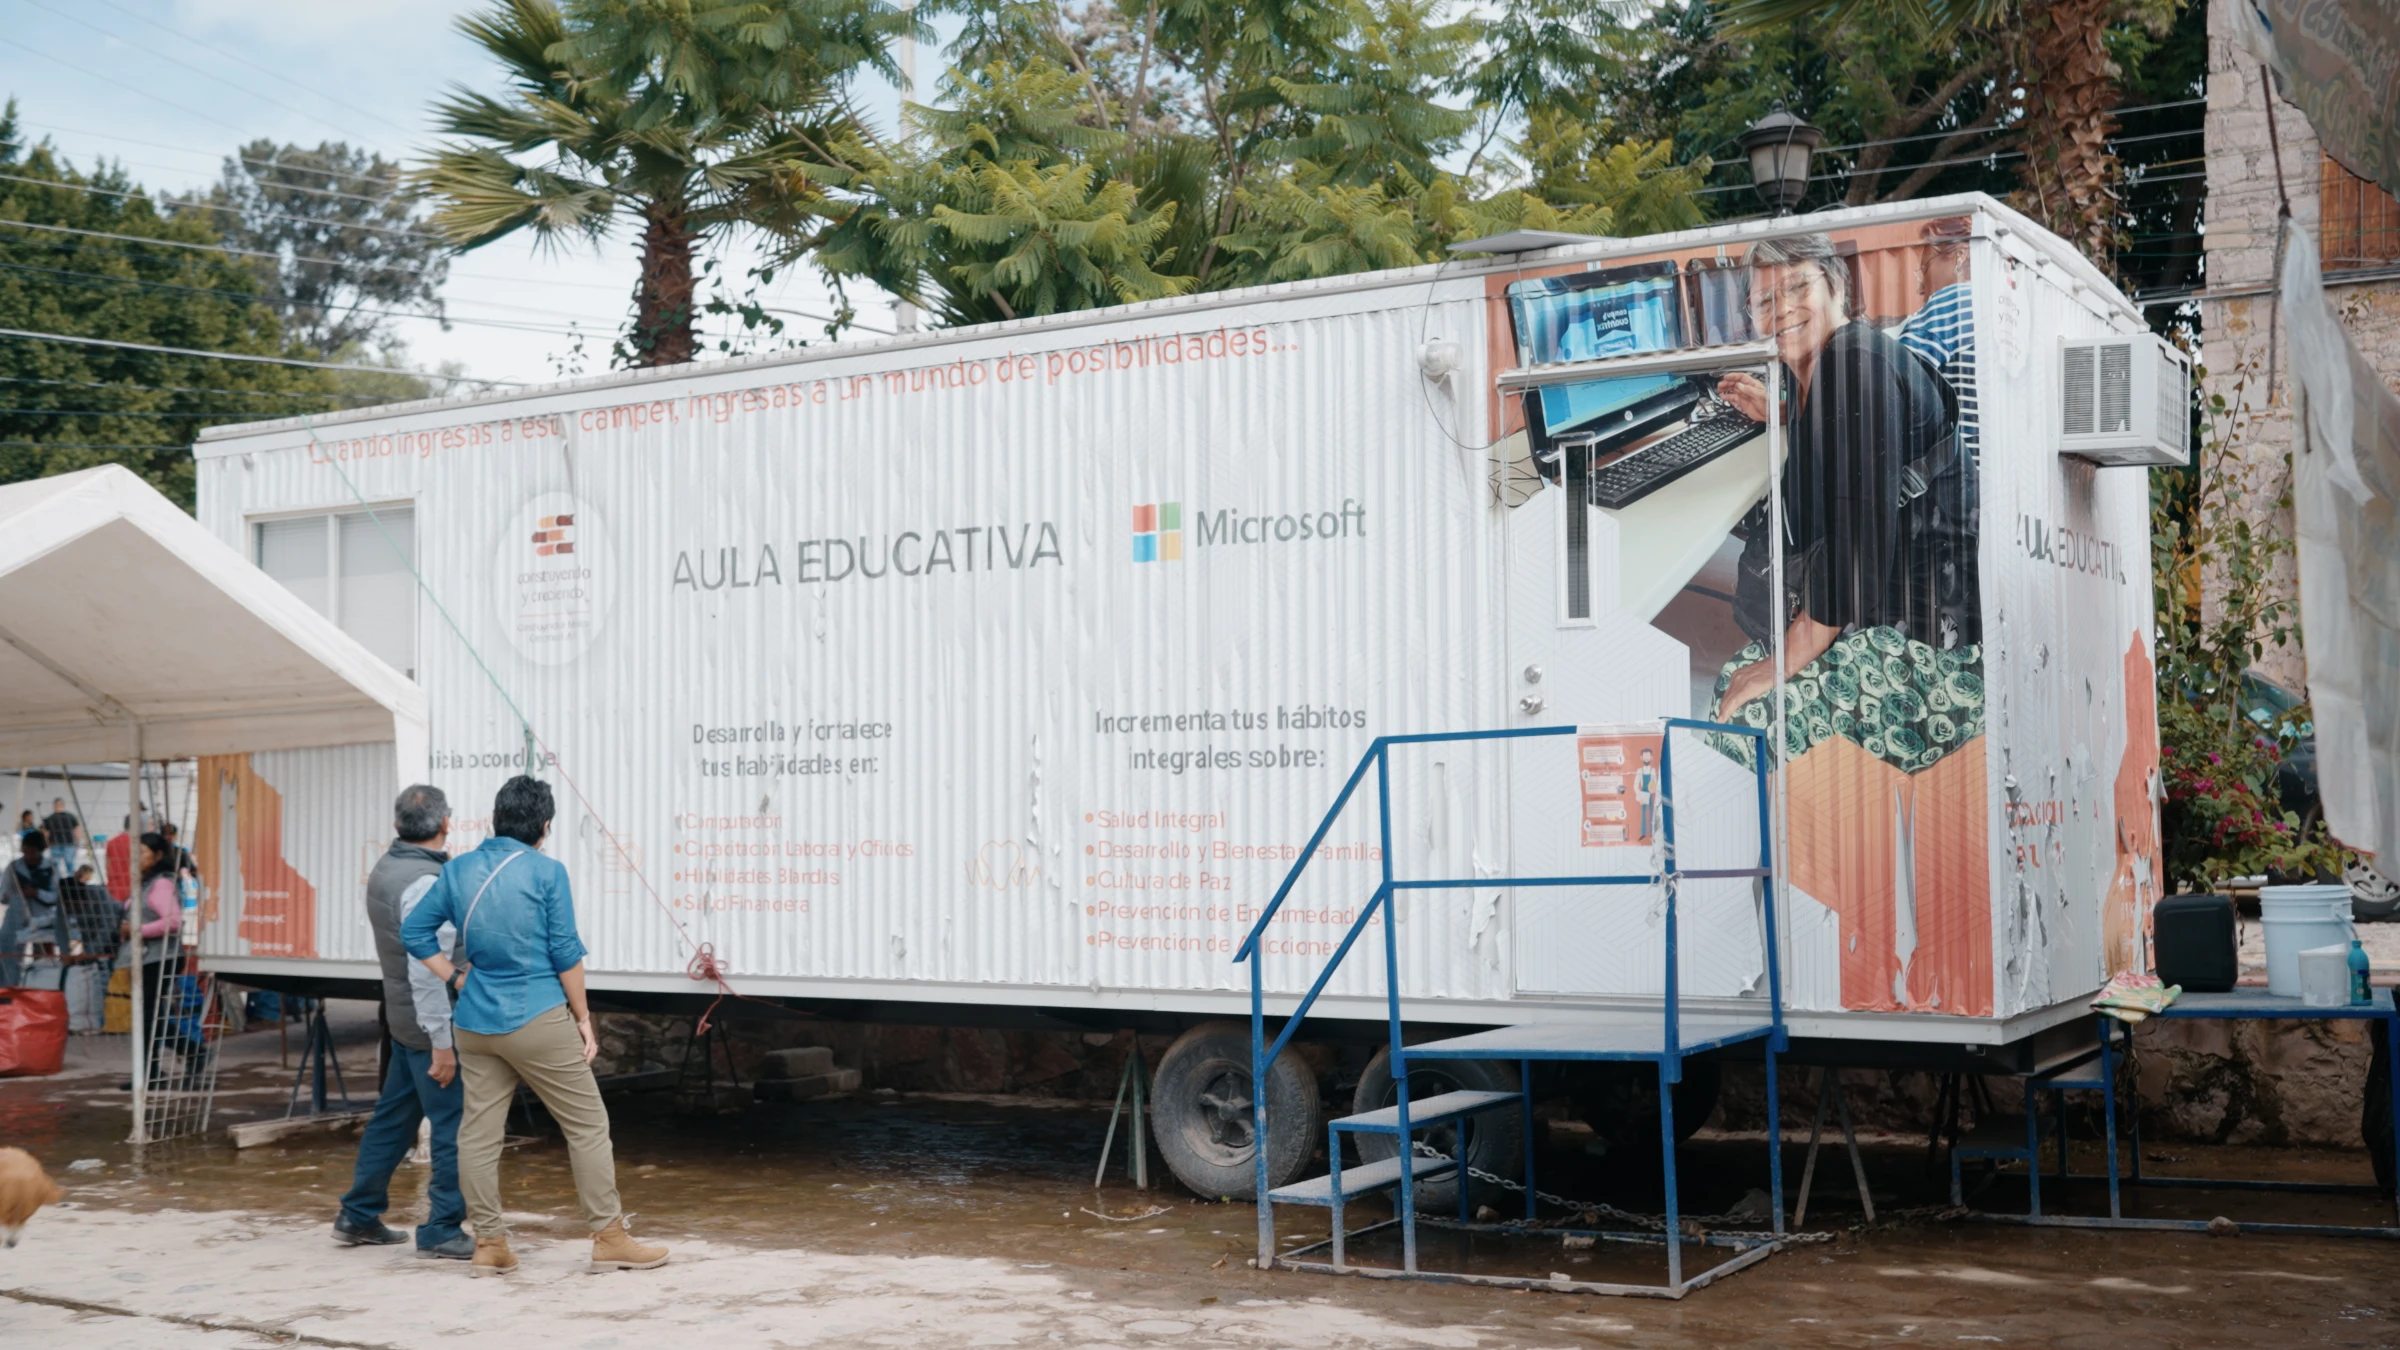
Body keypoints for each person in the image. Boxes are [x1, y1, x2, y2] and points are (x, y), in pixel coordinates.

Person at [1710, 232, 1976, 765]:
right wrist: (1787, 413)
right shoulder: (1824, 366)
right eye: (1764, 300)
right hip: (1902, 614)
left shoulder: (1853, 366)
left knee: (1741, 714)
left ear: (1836, 288)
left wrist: (1781, 664)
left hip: (1940, 655)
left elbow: (1858, 558)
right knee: (1735, 679)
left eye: (1797, 287)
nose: (1782, 309)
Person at [403, 776, 667, 1277]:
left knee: (479, 1134)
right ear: (544, 825)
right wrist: (584, 1019)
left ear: (495, 819)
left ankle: (490, 1244)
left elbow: (414, 933)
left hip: (475, 1022)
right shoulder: (547, 872)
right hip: (538, 1015)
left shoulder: (457, 870)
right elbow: (565, 952)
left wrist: (455, 977)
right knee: (587, 1125)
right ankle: (609, 1239)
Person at [333, 785, 472, 1260]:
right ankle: (442, 1228)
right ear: (446, 823)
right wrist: (442, 1043)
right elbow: (426, 970)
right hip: (430, 1022)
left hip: (402, 1017)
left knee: (394, 1118)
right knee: (453, 1123)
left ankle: (358, 1214)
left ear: (397, 825)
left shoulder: (387, 868)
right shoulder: (426, 882)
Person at [1898, 217, 1978, 471]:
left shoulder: (1954, 301)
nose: (1921, 288)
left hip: (1955, 478)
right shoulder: (1997, 307)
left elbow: (1890, 376)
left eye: (1924, 268)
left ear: (1960, 257)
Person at [119, 833, 197, 1090]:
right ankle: (152, 1070)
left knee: (148, 1016)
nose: (136, 858)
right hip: (147, 957)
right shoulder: (145, 883)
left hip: (160, 958)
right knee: (148, 1015)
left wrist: (137, 929)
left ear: (158, 855)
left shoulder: (161, 884)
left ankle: (189, 1052)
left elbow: (173, 921)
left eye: (142, 853)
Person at [40, 799, 80, 879]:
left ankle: (57, 881)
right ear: (63, 805)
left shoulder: (49, 818)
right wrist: (77, 841)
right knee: (70, 864)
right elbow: (77, 830)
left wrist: (47, 843)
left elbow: (46, 833)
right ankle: (71, 881)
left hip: (55, 844)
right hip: (69, 844)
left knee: (55, 865)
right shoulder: (71, 817)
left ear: (54, 806)